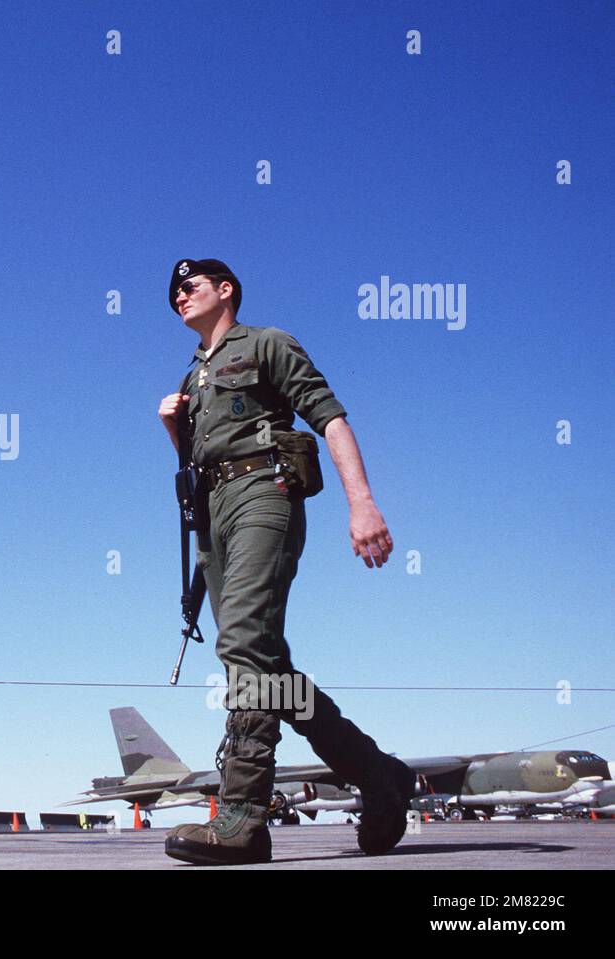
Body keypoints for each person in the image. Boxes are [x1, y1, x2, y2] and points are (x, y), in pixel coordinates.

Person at [157, 258, 415, 866]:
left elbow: (330, 418)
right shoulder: (192, 377)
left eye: (189, 286)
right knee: (272, 672)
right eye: (172, 293)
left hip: (263, 495)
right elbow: (197, 462)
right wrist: (174, 428)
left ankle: (243, 815)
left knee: (244, 646)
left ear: (226, 291)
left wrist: (364, 505)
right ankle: (380, 777)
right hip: (213, 512)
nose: (179, 296)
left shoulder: (268, 343)